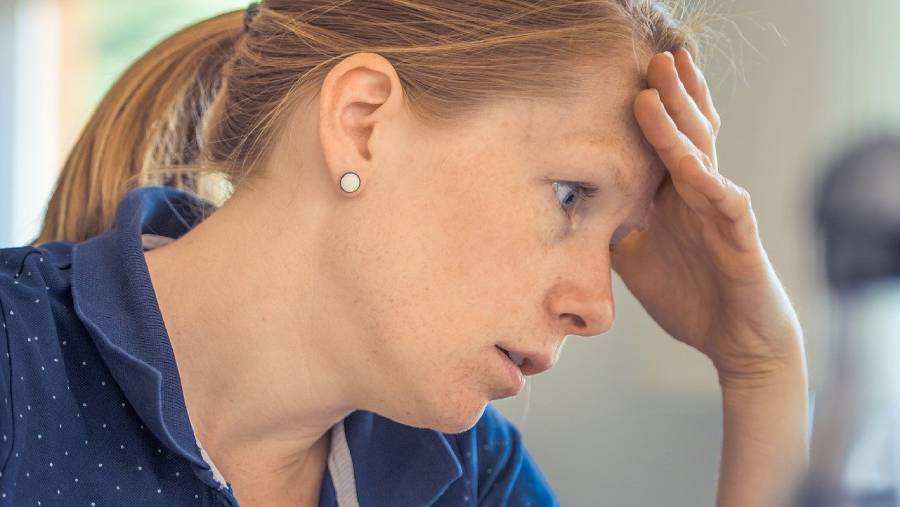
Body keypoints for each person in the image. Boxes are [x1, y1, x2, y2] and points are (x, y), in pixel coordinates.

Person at [0, 1, 809, 505]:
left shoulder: (460, 471)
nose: (597, 308)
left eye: (619, 240)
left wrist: (761, 367)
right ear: (362, 122)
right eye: (571, 196)